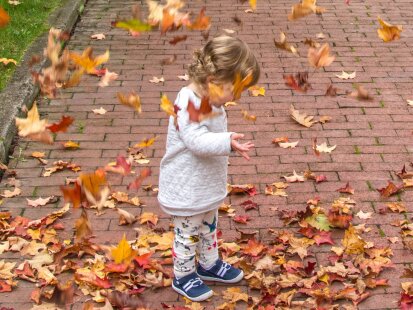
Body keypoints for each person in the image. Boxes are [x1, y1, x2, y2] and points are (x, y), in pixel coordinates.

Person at [158, 35, 260, 302]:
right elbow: (196, 141)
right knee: (188, 232)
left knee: (208, 226)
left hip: (204, 184)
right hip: (186, 187)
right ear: (213, 80)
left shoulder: (212, 99)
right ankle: (183, 275)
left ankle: (208, 263)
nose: (234, 98)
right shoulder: (188, 102)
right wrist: (227, 141)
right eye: (233, 91)